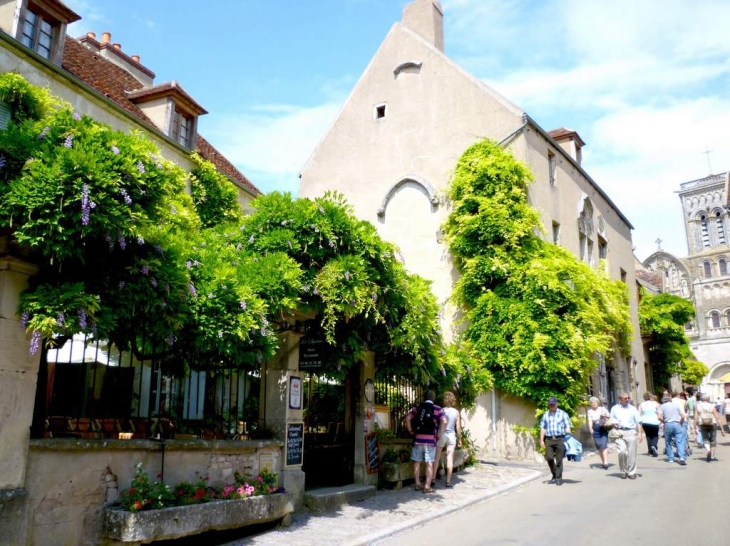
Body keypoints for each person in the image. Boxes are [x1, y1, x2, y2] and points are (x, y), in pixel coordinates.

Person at [405, 390, 446, 493]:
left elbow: (408, 418)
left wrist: (410, 430)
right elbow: (444, 421)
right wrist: (440, 433)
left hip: (418, 440)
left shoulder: (417, 408)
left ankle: (417, 484)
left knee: (417, 462)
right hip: (430, 441)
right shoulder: (437, 409)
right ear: (433, 398)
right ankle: (427, 486)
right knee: (429, 463)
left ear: (425, 397)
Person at [539, 397, 572, 486]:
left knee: (559, 460)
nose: (552, 406)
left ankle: (558, 478)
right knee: (549, 458)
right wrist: (541, 440)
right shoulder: (546, 415)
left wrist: (568, 437)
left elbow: (567, 426)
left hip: (560, 439)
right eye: (550, 404)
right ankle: (554, 474)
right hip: (549, 439)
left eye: (553, 404)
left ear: (557, 404)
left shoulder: (563, 414)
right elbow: (543, 428)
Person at [610, 393, 643, 479]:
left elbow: (638, 421)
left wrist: (639, 433)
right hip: (619, 432)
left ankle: (631, 472)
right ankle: (623, 471)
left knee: (632, 453)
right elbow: (611, 420)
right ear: (620, 399)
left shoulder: (632, 409)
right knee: (622, 452)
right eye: (625, 398)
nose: (627, 399)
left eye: (628, 398)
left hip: (631, 431)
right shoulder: (614, 409)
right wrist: (614, 425)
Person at [433, 391, 462, 488]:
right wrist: (460, 439)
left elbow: (437, 424)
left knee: (437, 457)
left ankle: (432, 478)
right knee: (450, 458)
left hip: (442, 435)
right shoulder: (456, 412)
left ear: (444, 400)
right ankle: (448, 481)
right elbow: (458, 427)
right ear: (452, 400)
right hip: (451, 436)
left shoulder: (441, 410)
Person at [695, 393, 726, 461]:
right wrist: (722, 429)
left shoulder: (698, 406)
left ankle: (708, 450)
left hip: (702, 423)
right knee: (713, 440)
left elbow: (695, 418)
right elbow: (717, 418)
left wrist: (694, 428)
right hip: (712, 423)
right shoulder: (712, 406)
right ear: (707, 399)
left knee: (705, 439)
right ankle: (712, 456)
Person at [658, 395, 687, 465]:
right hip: (677, 423)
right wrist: (681, 422)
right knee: (679, 441)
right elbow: (683, 416)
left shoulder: (662, 406)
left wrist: (663, 421)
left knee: (668, 441)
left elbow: (659, 417)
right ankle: (682, 457)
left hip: (668, 424)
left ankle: (671, 458)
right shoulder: (676, 405)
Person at [586, 396, 610, 468]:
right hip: (595, 427)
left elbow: (609, 416)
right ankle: (602, 461)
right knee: (599, 446)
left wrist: (605, 415)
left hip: (603, 427)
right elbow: (590, 420)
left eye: (595, 402)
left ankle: (605, 462)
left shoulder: (602, 409)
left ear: (598, 403)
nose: (593, 403)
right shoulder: (589, 411)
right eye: (592, 402)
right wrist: (590, 428)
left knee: (604, 444)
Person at [638, 392, 661, 457]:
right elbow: (659, 411)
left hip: (645, 422)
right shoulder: (655, 403)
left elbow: (638, 414)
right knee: (655, 435)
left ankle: (650, 451)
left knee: (648, 436)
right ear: (651, 397)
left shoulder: (641, 404)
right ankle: (654, 446)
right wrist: (660, 417)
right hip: (654, 421)